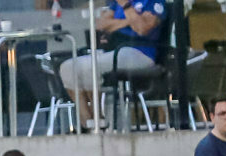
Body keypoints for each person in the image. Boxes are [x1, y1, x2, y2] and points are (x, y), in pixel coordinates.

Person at [59, 0, 165, 128]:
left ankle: (98, 118)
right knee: (67, 67)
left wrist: (126, 7)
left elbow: (142, 29)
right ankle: (88, 121)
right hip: (114, 51)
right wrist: (131, 21)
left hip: (140, 52)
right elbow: (100, 24)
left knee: (89, 67)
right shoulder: (117, 3)